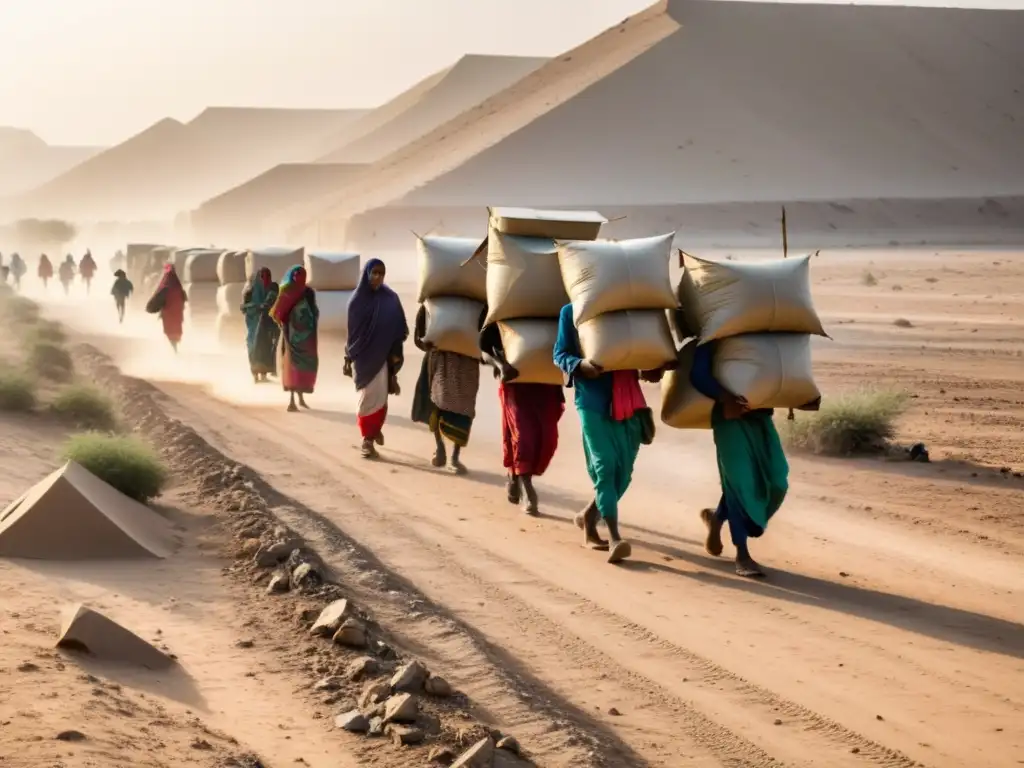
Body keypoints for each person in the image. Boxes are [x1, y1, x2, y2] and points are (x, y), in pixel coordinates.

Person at [690, 341, 812, 578]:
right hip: (730, 421)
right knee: (739, 483)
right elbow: (698, 374)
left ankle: (717, 517)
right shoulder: (716, 333)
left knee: (777, 481)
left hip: (762, 419)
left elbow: (782, 371)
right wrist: (726, 398)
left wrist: (799, 397)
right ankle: (742, 554)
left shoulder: (766, 333)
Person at [553, 303, 663, 563]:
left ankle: (591, 515)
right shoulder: (571, 312)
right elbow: (560, 354)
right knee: (605, 467)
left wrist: (650, 367)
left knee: (623, 473)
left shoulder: (630, 311)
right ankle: (613, 537)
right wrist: (581, 365)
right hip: (592, 401)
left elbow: (638, 353)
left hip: (628, 401)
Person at [480, 323, 565, 515]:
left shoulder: (555, 312)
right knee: (523, 436)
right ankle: (528, 491)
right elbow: (483, 351)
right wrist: (501, 365)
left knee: (548, 441)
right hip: (516, 386)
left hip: (548, 387)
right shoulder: (502, 311)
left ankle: (514, 472)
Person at [344, 259, 408, 458]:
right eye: (375, 273)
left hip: (384, 358)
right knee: (368, 397)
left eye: (382, 273)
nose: (378, 277)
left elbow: (399, 328)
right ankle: (369, 434)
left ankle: (368, 439)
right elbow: (352, 335)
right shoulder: (356, 301)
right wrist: (348, 356)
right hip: (363, 358)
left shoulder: (390, 299)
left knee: (379, 397)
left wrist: (394, 355)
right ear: (367, 273)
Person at [411, 303, 485, 475]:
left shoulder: (479, 304)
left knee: (456, 406)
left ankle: (449, 454)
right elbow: (419, 336)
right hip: (447, 360)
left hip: (461, 360)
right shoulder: (431, 303)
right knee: (445, 405)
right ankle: (446, 452)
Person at [269, 265, 319, 412]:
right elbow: (278, 312)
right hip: (290, 333)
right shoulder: (287, 291)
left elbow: (314, 310)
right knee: (291, 364)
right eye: (297, 274)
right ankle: (291, 400)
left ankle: (301, 397)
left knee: (307, 364)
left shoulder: (309, 292)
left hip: (308, 335)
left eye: (302, 274)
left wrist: (309, 319)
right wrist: (287, 324)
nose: (299, 277)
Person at [241, 266, 280, 383]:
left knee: (266, 348)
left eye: (267, 276)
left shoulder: (273, 288)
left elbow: (276, 302)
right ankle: (255, 374)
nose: (265, 279)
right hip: (253, 325)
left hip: (268, 325)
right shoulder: (249, 292)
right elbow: (243, 308)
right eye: (263, 277)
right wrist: (256, 308)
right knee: (253, 346)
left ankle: (263, 374)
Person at [145, 263, 188, 352]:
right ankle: (175, 348)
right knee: (176, 331)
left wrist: (151, 308)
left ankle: (174, 349)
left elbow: (158, 300)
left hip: (168, 314)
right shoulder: (179, 288)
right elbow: (185, 299)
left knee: (170, 331)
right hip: (178, 315)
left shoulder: (165, 288)